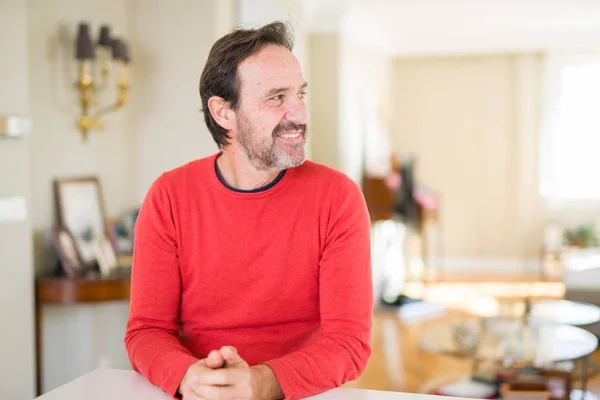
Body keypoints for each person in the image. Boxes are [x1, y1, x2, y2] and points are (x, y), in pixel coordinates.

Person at [124, 21, 372, 400]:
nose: (300, 114)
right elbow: (146, 332)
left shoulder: (338, 197)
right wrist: (190, 377)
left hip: (301, 393)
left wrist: (261, 382)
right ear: (224, 112)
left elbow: (349, 343)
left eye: (300, 94)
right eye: (276, 97)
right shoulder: (168, 196)